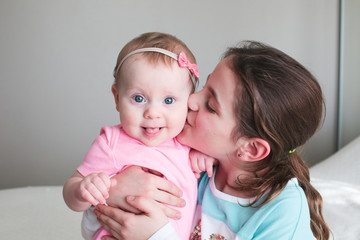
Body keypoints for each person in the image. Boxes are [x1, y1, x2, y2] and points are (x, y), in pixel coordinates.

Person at [93, 41, 331, 240]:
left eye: (210, 106)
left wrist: (157, 236)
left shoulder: (282, 215)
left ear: (250, 148)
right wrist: (113, 187)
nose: (191, 101)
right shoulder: (190, 160)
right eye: (204, 87)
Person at [62, 32, 207, 240]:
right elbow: (71, 194)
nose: (152, 113)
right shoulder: (111, 142)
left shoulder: (189, 140)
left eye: (168, 101)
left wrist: (205, 157)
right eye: (138, 98)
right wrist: (82, 190)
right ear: (117, 97)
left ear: (189, 102)